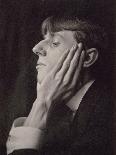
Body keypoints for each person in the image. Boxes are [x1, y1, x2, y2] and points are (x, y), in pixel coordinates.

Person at [6, 15, 113, 155]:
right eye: (43, 40)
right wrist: (41, 101)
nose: (36, 48)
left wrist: (43, 103)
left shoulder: (108, 116)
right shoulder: (61, 115)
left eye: (55, 43)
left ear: (87, 58)